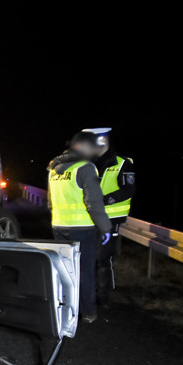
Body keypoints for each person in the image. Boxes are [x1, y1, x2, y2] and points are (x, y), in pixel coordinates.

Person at [69, 128, 135, 305]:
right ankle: (89, 292)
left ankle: (103, 296)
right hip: (88, 217)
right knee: (87, 256)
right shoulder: (87, 162)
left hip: (111, 219)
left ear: (103, 141)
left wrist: (105, 200)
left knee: (102, 257)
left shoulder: (122, 163)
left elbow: (128, 190)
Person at [47, 145, 112, 323]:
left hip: (58, 226)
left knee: (64, 270)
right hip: (82, 229)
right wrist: (105, 228)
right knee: (85, 272)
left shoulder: (53, 169)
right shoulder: (85, 168)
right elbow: (94, 203)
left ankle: (65, 309)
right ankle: (88, 312)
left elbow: (50, 203)